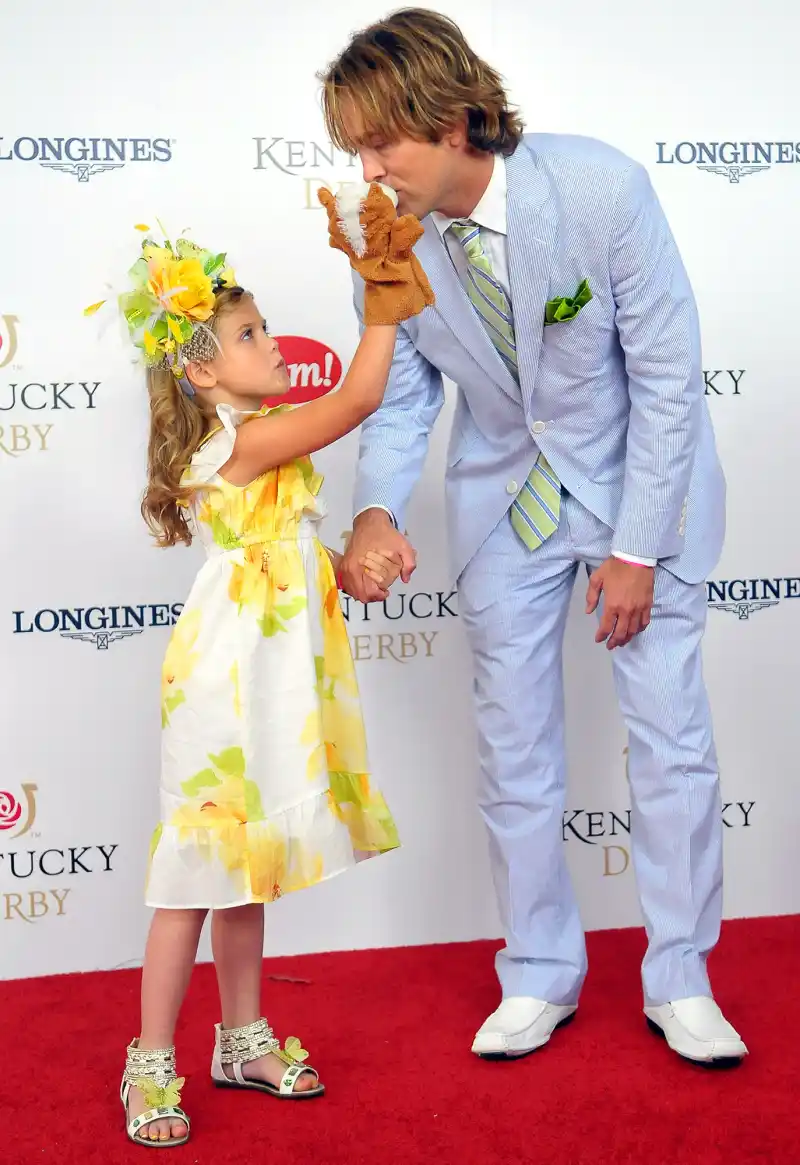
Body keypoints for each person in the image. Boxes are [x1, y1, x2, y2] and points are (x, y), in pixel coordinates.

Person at [320, 8, 748, 1066]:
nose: (365, 169)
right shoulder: (388, 240)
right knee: (513, 746)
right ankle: (538, 971)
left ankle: (681, 974)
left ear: (457, 120)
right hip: (504, 500)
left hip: (635, 489)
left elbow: (662, 378)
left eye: (382, 142)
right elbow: (409, 388)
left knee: (668, 739)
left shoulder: (597, 188)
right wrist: (374, 506)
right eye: (354, 148)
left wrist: (637, 549)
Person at [86, 193, 431, 1147]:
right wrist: (381, 300)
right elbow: (357, 401)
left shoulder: (258, 450)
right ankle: (149, 1058)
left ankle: (241, 1038)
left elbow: (289, 555)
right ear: (202, 370)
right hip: (225, 683)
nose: (272, 341)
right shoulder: (232, 444)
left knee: (250, 871)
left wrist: (350, 564)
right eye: (249, 333)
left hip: (278, 675)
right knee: (195, 872)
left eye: (267, 324)